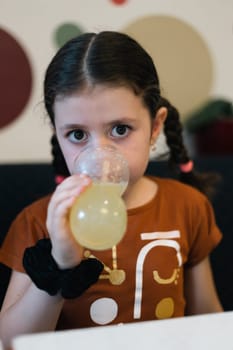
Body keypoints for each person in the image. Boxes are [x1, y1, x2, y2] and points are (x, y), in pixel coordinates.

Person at [0, 31, 223, 348]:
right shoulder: (38, 223)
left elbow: (207, 319)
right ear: (57, 133)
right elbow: (9, 342)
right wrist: (59, 264)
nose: (100, 156)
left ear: (155, 127)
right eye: (77, 134)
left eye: (120, 129)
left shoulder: (188, 206)